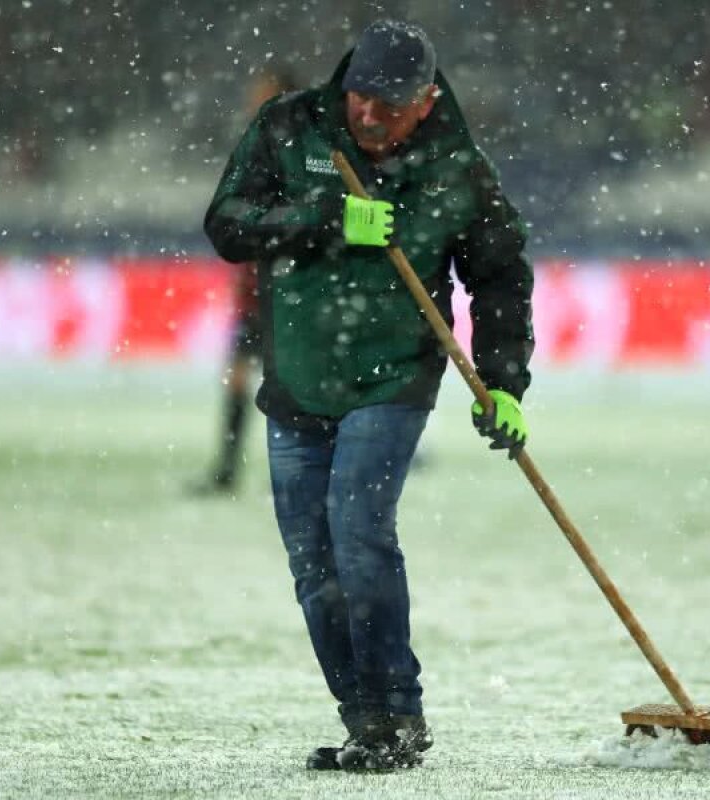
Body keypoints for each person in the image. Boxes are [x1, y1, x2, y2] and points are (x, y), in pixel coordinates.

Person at [203, 20, 534, 771]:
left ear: (425, 102)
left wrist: (505, 384)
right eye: (359, 98)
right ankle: (367, 721)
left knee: (359, 532)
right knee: (313, 562)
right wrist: (319, 220)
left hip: (395, 376)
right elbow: (226, 225)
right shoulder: (290, 128)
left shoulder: (456, 166)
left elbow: (502, 276)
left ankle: (398, 713)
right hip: (297, 380)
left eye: (389, 105)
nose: (369, 116)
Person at [192, 66, 300, 496]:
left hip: (288, 290)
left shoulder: (298, 152)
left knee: (295, 388)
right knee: (239, 376)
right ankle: (227, 470)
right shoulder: (260, 147)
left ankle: (299, 474)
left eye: (263, 94)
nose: (253, 102)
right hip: (258, 291)